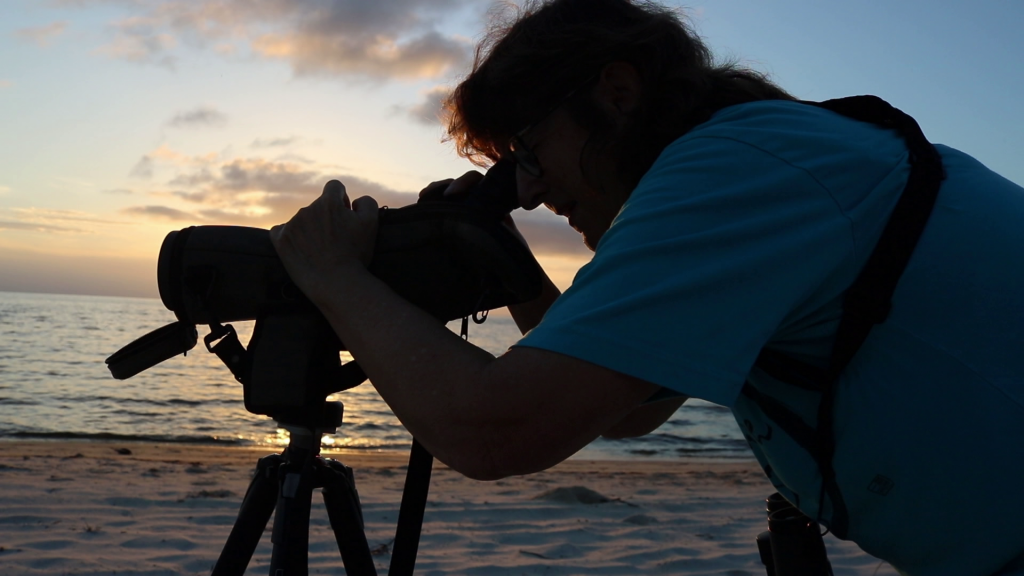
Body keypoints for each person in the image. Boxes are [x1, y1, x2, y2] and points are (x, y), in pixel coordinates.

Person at [269, 0, 1024, 574]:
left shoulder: (736, 170)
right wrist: (505, 260)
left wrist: (334, 275)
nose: (527, 193)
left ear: (619, 93)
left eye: (530, 152)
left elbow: (495, 430)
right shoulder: (772, 157)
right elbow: (631, 414)